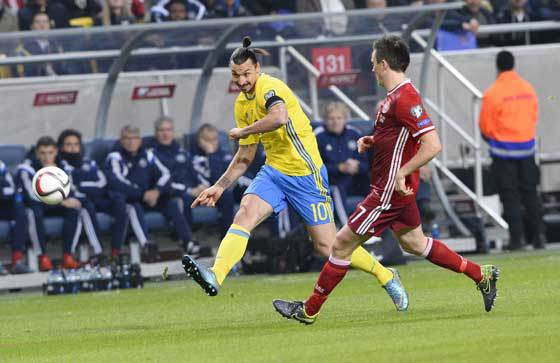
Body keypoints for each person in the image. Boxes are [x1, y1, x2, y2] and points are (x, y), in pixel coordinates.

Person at [273, 36, 500, 325]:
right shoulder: (393, 99)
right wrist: (374, 141)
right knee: (415, 244)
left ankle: (309, 310)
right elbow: (400, 138)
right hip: (393, 189)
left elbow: (433, 144)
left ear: (383, 64)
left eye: (372, 64)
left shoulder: (406, 97)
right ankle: (482, 275)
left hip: (388, 191)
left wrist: (403, 172)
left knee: (340, 244)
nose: (371, 71)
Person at [182, 36, 408, 312]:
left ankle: (386, 275)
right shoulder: (242, 104)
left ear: (257, 69)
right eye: (235, 75)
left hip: (305, 175)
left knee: (329, 246)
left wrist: (243, 131)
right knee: (245, 214)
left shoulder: (270, 87)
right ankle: (215, 274)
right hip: (274, 173)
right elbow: (244, 156)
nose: (241, 80)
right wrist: (219, 187)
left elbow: (279, 117)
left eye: (246, 74)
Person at [479, 50, 543, 250]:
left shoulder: (493, 93)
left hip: (503, 153)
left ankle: (517, 239)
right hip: (527, 149)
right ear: (513, 65)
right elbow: (534, 116)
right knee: (531, 193)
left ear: (497, 67)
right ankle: (539, 236)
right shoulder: (528, 88)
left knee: (510, 196)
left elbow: (485, 127)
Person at [105, 125, 189, 262]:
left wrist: (157, 191)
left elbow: (165, 175)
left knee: (173, 203)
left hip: (151, 198)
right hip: (131, 200)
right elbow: (117, 182)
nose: (131, 142)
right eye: (127, 138)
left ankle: (188, 242)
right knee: (133, 207)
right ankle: (147, 245)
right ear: (121, 140)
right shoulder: (115, 157)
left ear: (140, 140)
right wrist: (142, 194)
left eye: (134, 138)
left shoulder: (148, 155)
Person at [16, 136, 82, 270]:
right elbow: (32, 195)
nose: (47, 157)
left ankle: (68, 255)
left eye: (50, 153)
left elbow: (70, 191)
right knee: (34, 212)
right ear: (37, 154)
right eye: (43, 153)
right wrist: (60, 201)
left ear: (56, 152)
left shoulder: (63, 167)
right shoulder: (26, 168)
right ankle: (43, 257)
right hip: (37, 204)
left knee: (74, 208)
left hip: (55, 203)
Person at [57, 129, 117, 260]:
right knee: (85, 207)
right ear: (61, 147)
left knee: (123, 204)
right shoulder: (60, 165)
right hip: (74, 203)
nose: (73, 148)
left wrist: (82, 185)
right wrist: (87, 185)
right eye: (68, 145)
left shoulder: (90, 163)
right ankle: (98, 253)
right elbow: (71, 188)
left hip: (96, 199)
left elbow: (102, 184)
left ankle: (117, 250)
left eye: (76, 144)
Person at [149, 116, 200, 256]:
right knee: (181, 199)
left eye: (168, 130)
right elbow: (164, 180)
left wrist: (202, 186)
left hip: (191, 192)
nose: (165, 134)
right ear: (156, 133)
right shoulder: (151, 155)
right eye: (161, 130)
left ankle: (231, 241)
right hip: (168, 195)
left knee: (224, 196)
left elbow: (194, 174)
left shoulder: (183, 152)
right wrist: (189, 190)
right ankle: (188, 241)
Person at [314, 102, 369, 225]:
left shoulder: (355, 134)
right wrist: (339, 168)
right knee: (337, 190)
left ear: (345, 119)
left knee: (374, 185)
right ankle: (347, 230)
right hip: (329, 183)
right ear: (325, 120)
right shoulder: (318, 136)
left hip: (353, 180)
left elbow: (366, 163)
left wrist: (357, 166)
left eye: (339, 118)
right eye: (331, 119)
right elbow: (314, 168)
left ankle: (376, 230)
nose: (335, 122)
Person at [189, 123, 235, 237]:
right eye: (207, 140)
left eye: (214, 139)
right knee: (225, 196)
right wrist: (211, 154)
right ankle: (228, 240)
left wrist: (212, 155)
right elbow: (216, 180)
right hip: (205, 194)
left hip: (228, 190)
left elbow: (221, 180)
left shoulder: (226, 156)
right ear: (200, 141)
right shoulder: (193, 159)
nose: (212, 143)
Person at [0, 160, 30, 274]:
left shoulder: (1, 166)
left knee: (19, 209)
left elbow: (10, 189)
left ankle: (17, 261)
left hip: (3, 203)